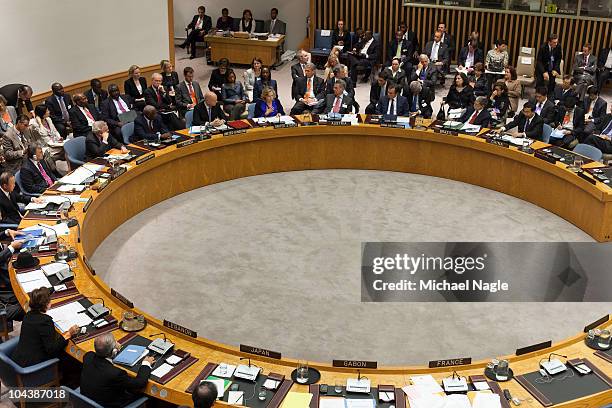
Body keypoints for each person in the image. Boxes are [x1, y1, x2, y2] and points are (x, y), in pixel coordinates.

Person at [80, 333, 154, 408]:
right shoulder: (115, 373)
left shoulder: (88, 356)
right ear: (114, 351)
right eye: (115, 343)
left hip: (85, 400)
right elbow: (140, 383)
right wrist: (146, 364)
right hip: (110, 404)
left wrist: (113, 350)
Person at [11, 287, 79, 367]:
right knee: (67, 356)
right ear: (46, 304)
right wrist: (69, 333)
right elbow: (52, 349)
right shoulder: (45, 321)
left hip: (19, 358)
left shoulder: (27, 315)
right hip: (31, 365)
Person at [0, 227, 27, 321]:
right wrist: (11, 248)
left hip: (5, 276)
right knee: (35, 306)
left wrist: (6, 232)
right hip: (4, 298)